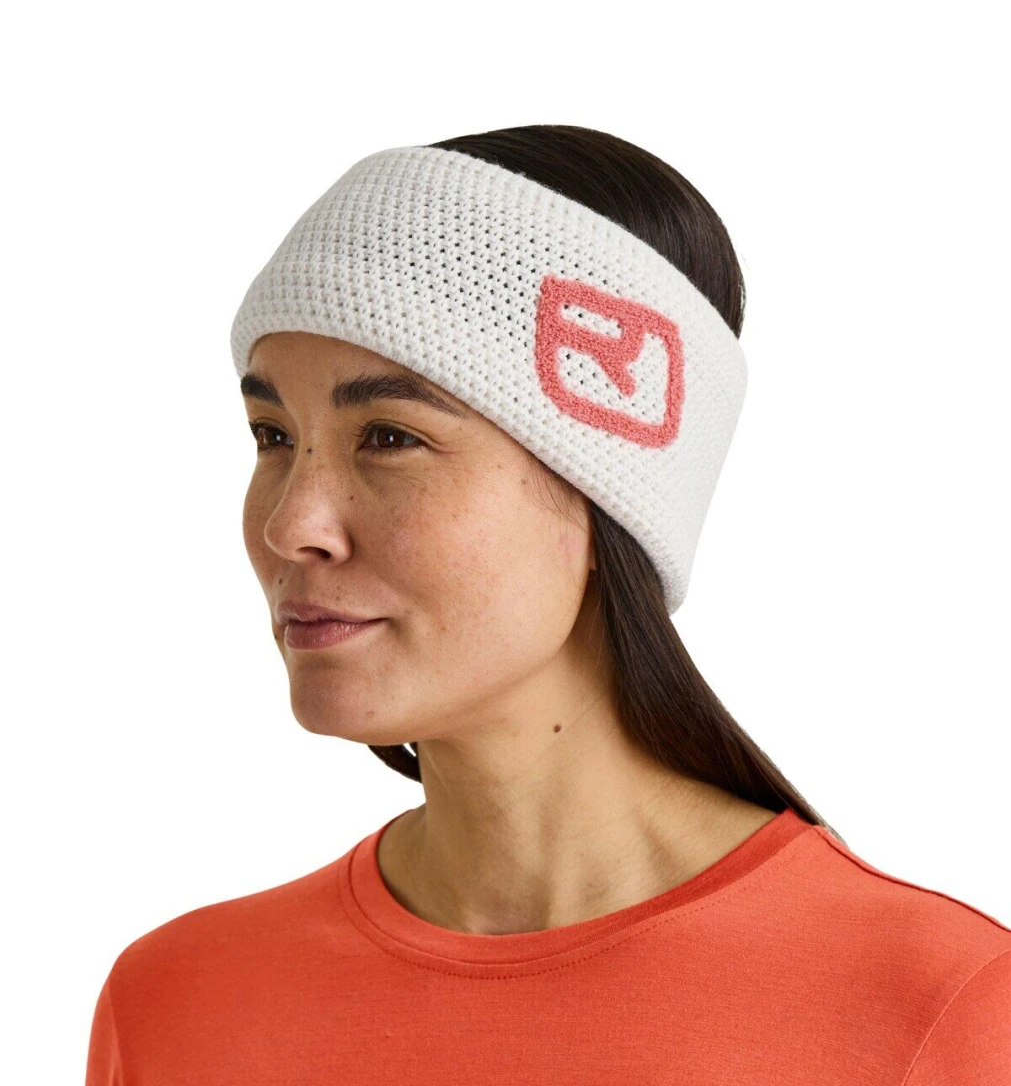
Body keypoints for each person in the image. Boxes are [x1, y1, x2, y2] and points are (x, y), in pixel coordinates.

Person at [85, 125, 1011, 1083]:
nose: (292, 525)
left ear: (611, 499)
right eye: (272, 435)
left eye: (390, 438)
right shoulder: (178, 1002)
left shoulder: (937, 1009)